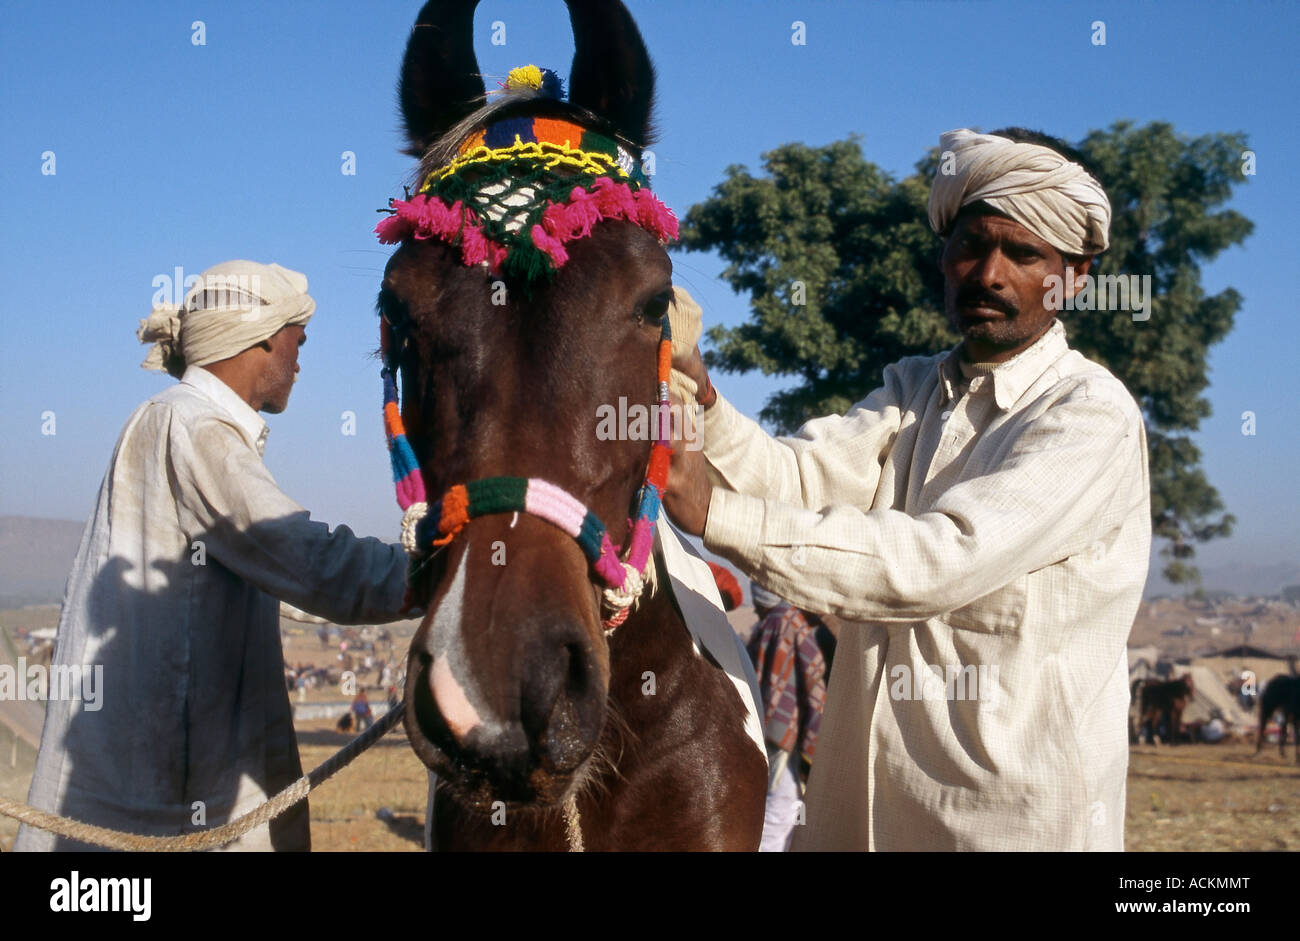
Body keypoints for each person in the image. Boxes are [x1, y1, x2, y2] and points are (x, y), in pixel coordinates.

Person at [664, 128, 1151, 851]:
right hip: (852, 820)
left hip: (1001, 825)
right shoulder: (913, 388)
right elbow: (796, 477)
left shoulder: (1089, 415)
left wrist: (717, 513)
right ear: (943, 257)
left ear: (1073, 277)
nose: (988, 273)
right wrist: (699, 390)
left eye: (1023, 253)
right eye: (971, 246)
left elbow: (938, 562)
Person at [16, 260, 414, 852]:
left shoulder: (182, 423)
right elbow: (306, 561)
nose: (300, 362)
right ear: (261, 337)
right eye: (296, 342)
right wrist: (437, 569)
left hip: (166, 791)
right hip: (160, 808)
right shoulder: (191, 425)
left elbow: (278, 578)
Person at [746, 582, 831, 852]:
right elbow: (814, 680)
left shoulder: (767, 623)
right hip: (785, 740)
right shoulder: (789, 621)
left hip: (768, 731)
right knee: (779, 815)